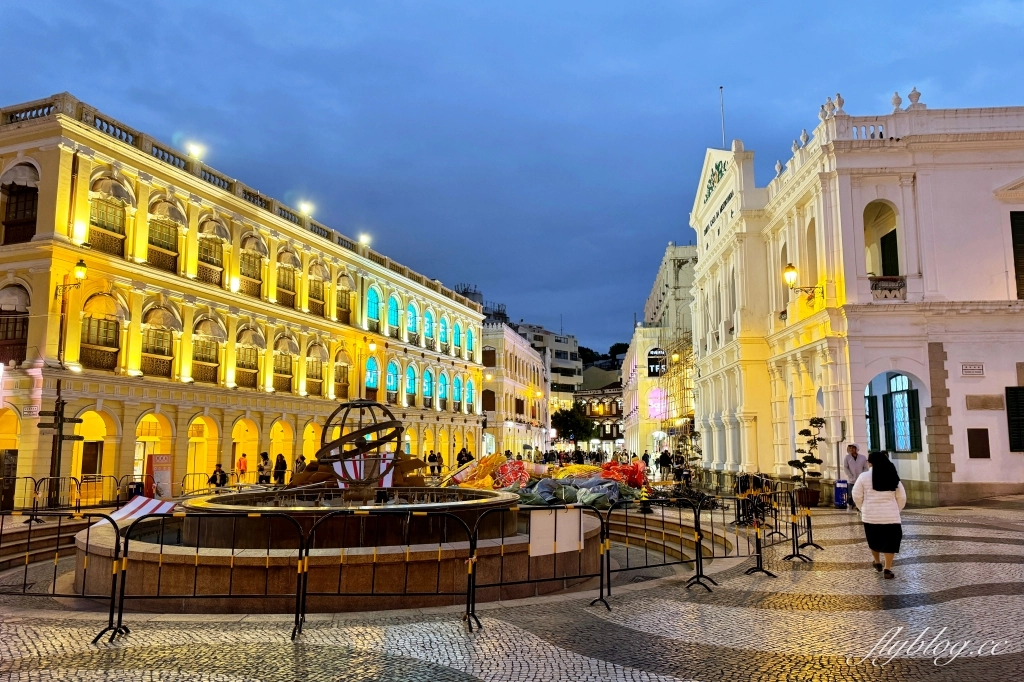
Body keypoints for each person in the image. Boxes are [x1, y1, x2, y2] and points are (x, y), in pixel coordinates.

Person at [852, 451, 907, 580]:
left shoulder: (863, 477)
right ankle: (888, 568)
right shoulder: (892, 475)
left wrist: (863, 508)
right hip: (891, 517)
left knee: (874, 540)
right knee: (890, 543)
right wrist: (895, 510)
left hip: (871, 517)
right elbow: (902, 497)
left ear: (870, 462)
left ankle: (877, 562)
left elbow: (856, 495)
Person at [843, 443, 869, 510]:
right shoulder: (847, 457)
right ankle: (850, 505)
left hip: (860, 479)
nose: (851, 449)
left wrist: (862, 475)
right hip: (851, 479)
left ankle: (858, 506)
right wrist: (850, 475)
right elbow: (845, 467)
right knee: (850, 493)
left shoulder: (862, 457)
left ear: (856, 448)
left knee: (859, 493)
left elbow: (866, 467)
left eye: (853, 448)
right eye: (850, 448)